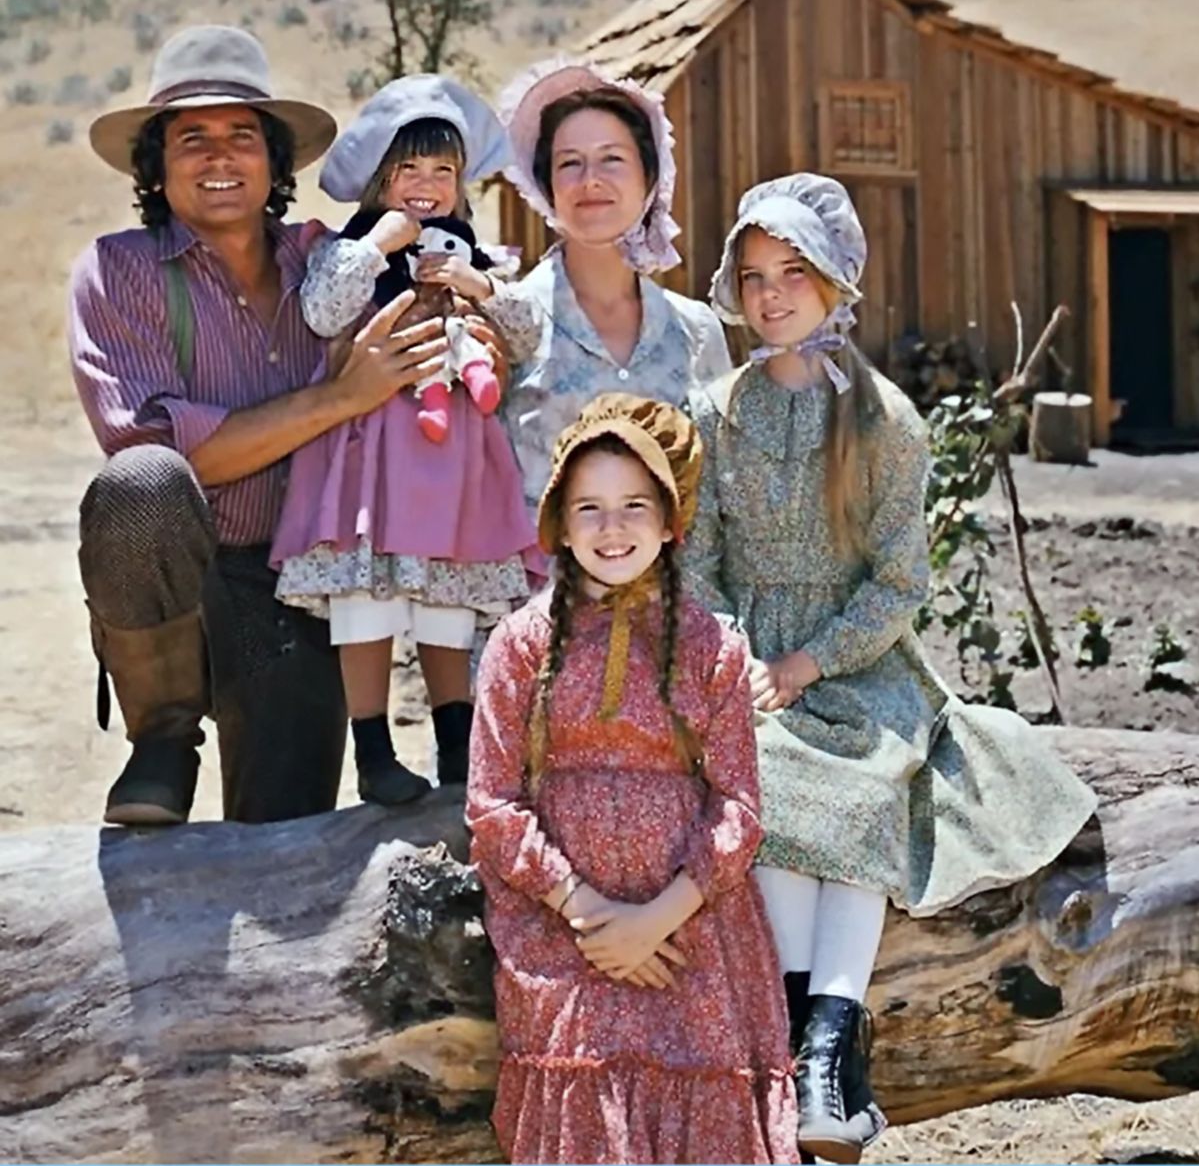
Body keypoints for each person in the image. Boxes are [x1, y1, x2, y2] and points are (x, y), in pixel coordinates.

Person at [684, 173, 1098, 1164]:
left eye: (794, 272)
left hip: (858, 664)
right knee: (771, 782)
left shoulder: (883, 423)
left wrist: (813, 656)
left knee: (867, 788)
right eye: (752, 276)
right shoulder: (711, 412)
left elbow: (899, 583)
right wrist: (740, 652)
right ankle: (807, 1060)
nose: (771, 295)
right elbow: (696, 563)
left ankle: (823, 1051)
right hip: (746, 664)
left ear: (836, 282)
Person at [68, 25, 504, 826]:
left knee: (283, 839)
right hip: (187, 576)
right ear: (156, 168)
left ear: (276, 160)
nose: (220, 156)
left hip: (302, 580)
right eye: (191, 138)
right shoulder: (115, 270)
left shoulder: (329, 260)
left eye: (243, 135)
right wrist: (341, 397)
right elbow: (155, 448)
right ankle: (161, 738)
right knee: (141, 484)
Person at [467, 394, 798, 1165]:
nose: (611, 529)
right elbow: (491, 802)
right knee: (593, 1071)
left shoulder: (710, 646)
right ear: (558, 520)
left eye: (633, 506)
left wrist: (658, 917)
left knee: (697, 1061)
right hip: (558, 925)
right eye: (589, 507)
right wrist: (591, 916)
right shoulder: (520, 645)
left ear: (671, 519)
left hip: (692, 925)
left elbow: (740, 807)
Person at [270, 76, 537, 804]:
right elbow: (324, 313)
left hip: (454, 458)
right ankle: (376, 752)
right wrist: (382, 239)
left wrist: (478, 288)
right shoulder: (349, 247)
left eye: (442, 171)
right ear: (379, 178)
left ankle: (458, 750)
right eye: (407, 170)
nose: (425, 186)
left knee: (447, 602)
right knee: (368, 597)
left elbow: (527, 334)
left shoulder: (475, 258)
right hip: (371, 453)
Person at [471, 58, 732, 513]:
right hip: (544, 582)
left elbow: (721, 488)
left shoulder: (698, 330)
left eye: (612, 159)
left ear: (649, 178)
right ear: (546, 186)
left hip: (678, 582)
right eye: (570, 163)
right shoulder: (505, 320)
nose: (590, 180)